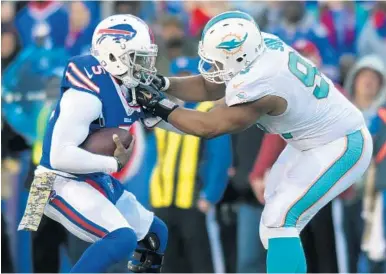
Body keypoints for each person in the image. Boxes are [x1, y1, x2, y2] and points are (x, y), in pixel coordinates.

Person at [133, 10, 373, 273]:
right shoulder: (257, 50)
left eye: (217, 61)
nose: (213, 66)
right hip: (309, 142)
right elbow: (213, 83)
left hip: (341, 143)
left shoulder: (262, 83)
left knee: (281, 219)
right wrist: (164, 83)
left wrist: (157, 107)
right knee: (272, 223)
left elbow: (210, 125)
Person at [17, 14, 179, 273]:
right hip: (49, 180)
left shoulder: (122, 85)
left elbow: (174, 121)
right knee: (48, 251)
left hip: (87, 174)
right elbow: (58, 154)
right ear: (113, 55)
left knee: (155, 235)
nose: (145, 67)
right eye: (138, 58)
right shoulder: (82, 94)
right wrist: (112, 163)